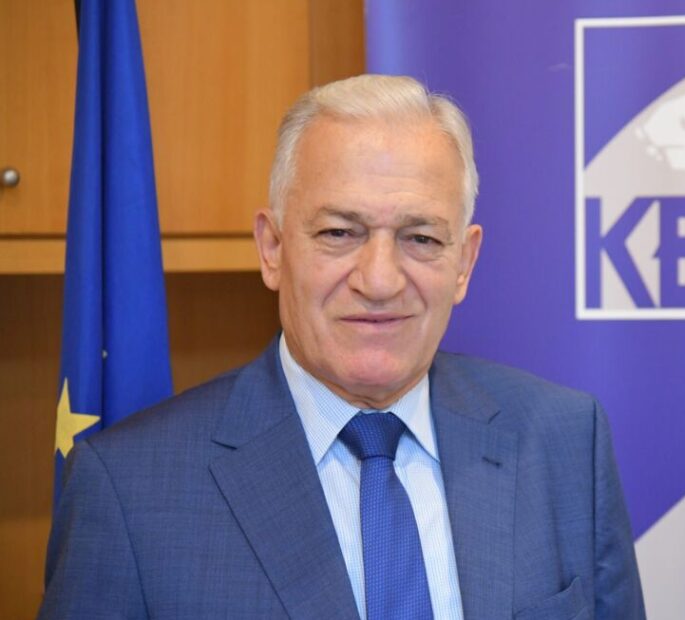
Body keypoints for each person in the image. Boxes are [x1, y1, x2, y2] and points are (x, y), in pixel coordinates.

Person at [40, 74, 645, 620]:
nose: (379, 281)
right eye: (339, 232)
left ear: (464, 262)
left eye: (420, 238)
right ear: (273, 248)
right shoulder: (128, 490)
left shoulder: (565, 442)